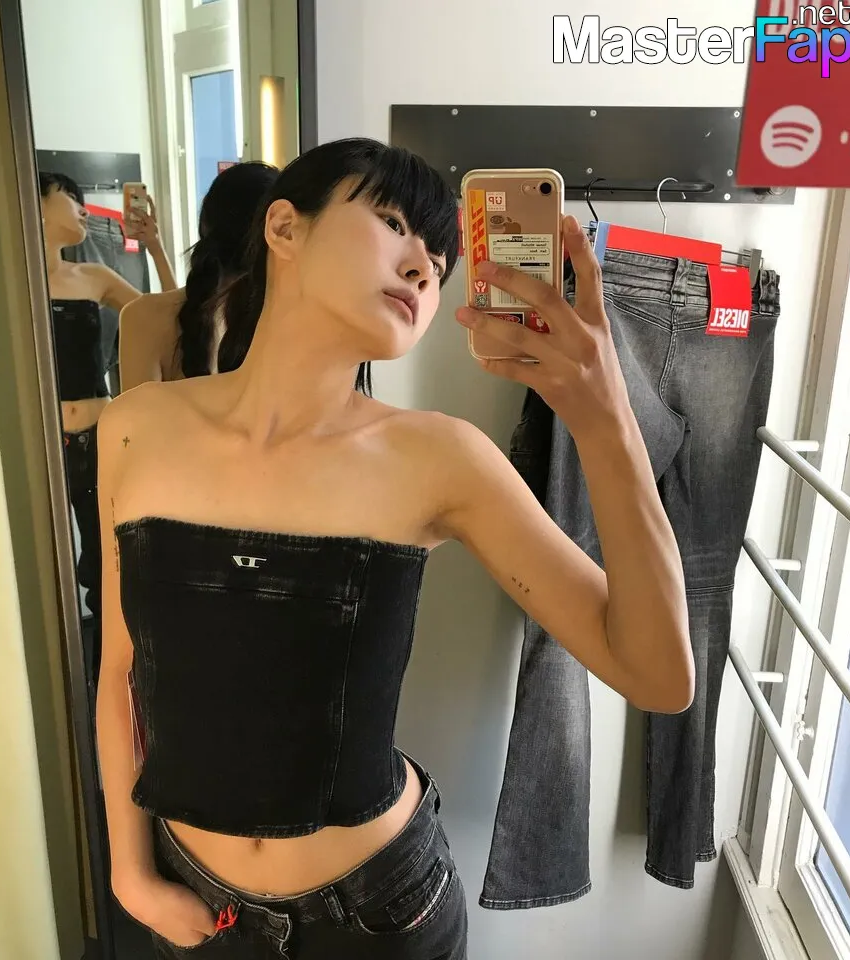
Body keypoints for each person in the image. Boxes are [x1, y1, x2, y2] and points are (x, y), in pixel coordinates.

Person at [95, 138, 694, 959]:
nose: (422, 268)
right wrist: (131, 874)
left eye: (440, 264)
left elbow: (659, 676)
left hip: (379, 917)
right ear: (284, 227)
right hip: (195, 906)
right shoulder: (138, 427)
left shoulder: (441, 458)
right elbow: (120, 673)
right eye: (392, 223)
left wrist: (605, 417)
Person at [39, 172, 174, 687]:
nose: (82, 209)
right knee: (39, 564)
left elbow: (169, 315)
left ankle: (103, 687)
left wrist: (155, 246)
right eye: (70, 198)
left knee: (103, 563)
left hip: (98, 437)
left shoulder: (92, 276)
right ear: (36, 201)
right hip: (37, 445)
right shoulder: (9, 282)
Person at [118, 162, 279, 391]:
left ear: (204, 225)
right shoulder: (291, 323)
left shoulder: (143, 317)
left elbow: (137, 418)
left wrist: (156, 247)